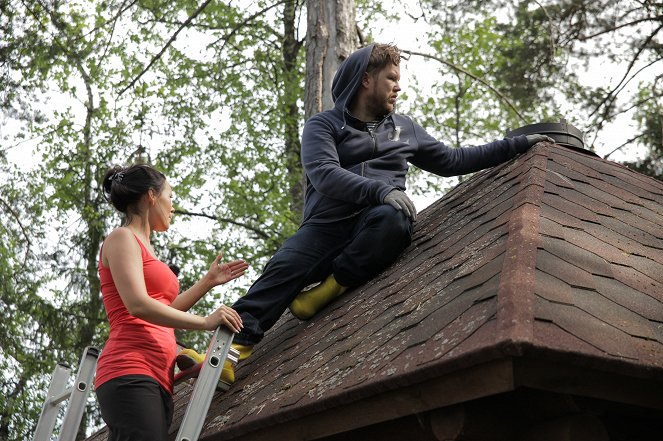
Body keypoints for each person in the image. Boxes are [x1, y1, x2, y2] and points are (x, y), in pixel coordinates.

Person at [183, 43, 553, 385]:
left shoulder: (405, 128)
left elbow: (453, 160)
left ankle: (327, 290)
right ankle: (227, 351)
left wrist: (517, 145)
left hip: (375, 221)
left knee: (393, 222)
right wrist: (381, 188)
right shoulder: (324, 125)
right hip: (325, 226)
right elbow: (324, 174)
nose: (398, 87)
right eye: (392, 78)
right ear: (366, 79)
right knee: (282, 268)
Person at [95, 163, 248, 441]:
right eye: (171, 196)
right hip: (130, 368)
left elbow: (163, 310)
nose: (173, 206)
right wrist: (205, 322)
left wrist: (207, 282)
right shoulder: (121, 238)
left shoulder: (147, 249)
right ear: (152, 196)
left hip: (158, 376)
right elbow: (138, 306)